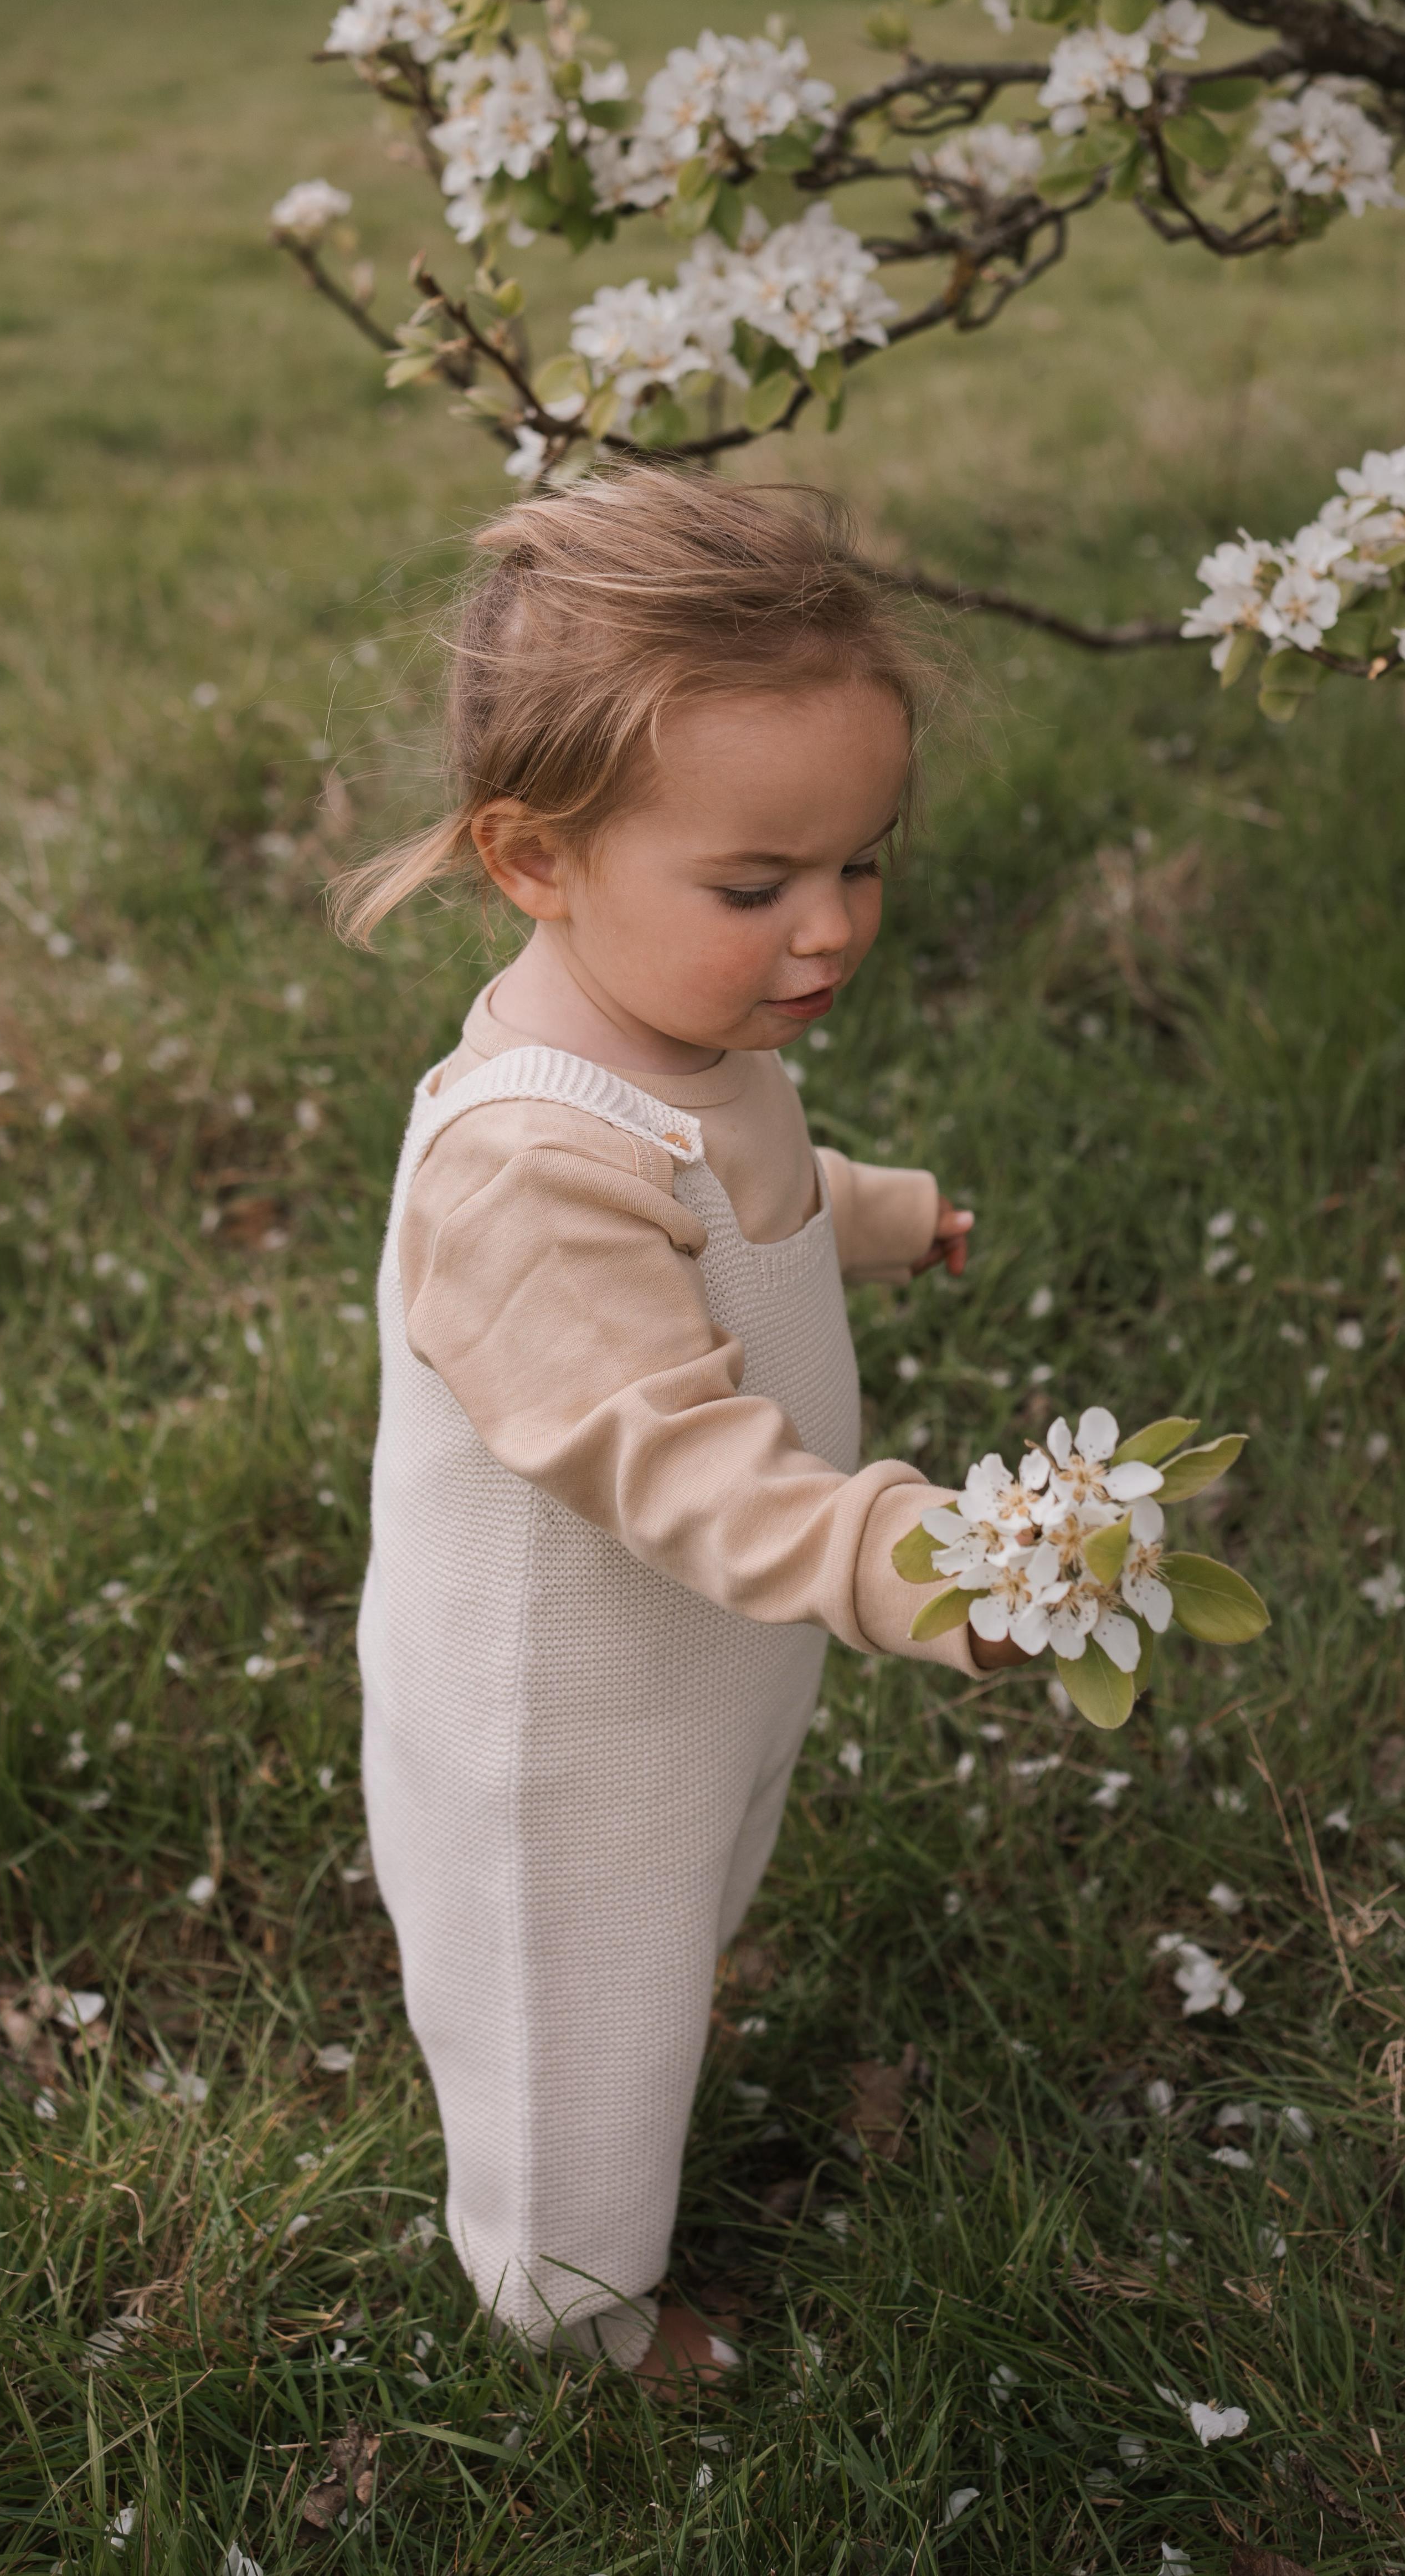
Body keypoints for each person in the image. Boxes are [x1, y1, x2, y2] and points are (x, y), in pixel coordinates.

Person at [338, 466, 1020, 2392]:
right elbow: (671, 1454)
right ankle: (565, 2316)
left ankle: (646, 2051)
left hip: (699, 1665)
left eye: (862, 864)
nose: (828, 930)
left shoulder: (691, 1051)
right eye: (755, 886)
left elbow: (743, 1186)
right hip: (558, 1721)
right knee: (578, 2020)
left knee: (685, 1908)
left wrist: (873, 1216)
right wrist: (898, 1556)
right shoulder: (528, 1169)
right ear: (532, 858)